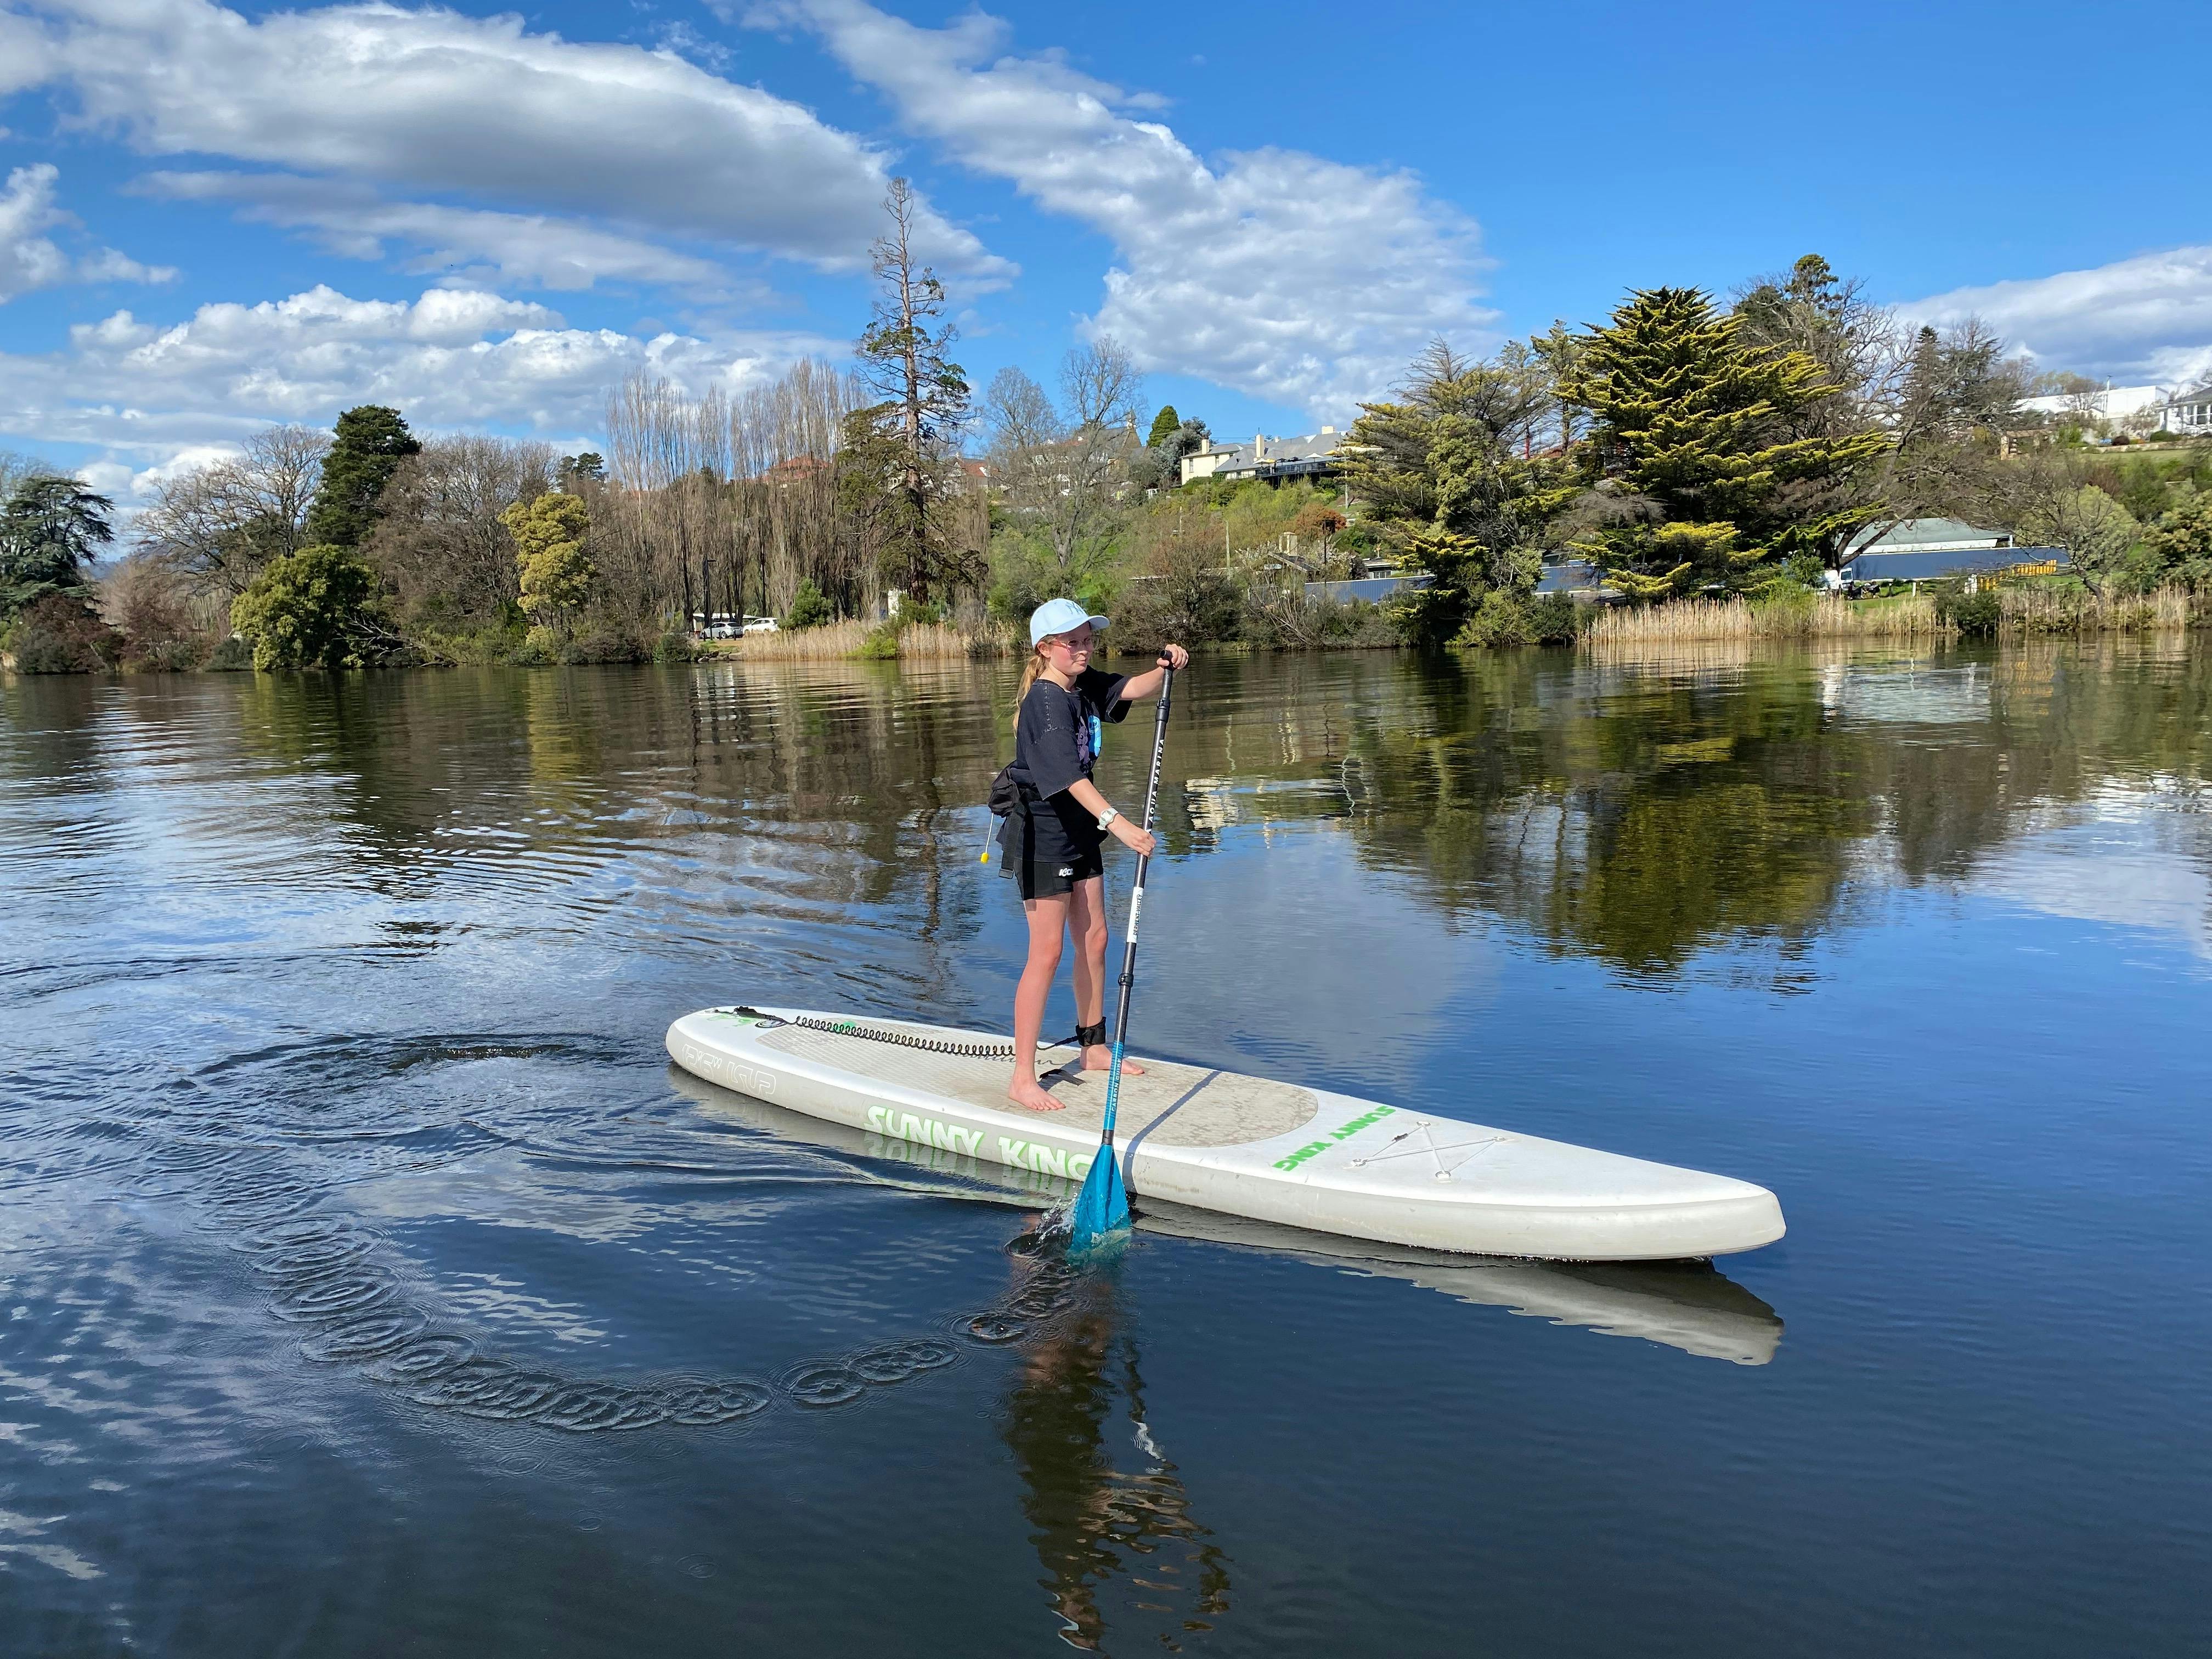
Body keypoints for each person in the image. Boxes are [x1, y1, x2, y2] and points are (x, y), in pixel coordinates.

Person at [999, 597, 1188, 1113]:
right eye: (1073, 642)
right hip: (1044, 833)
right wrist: (1121, 826)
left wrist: (1165, 666)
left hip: (1080, 830)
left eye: (1088, 639)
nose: (1084, 649)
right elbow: (1067, 778)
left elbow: (1128, 689)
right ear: (1045, 649)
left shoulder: (1079, 684)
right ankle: (1021, 1077)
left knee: (1096, 939)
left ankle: (1094, 1048)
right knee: (1048, 952)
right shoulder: (1045, 702)